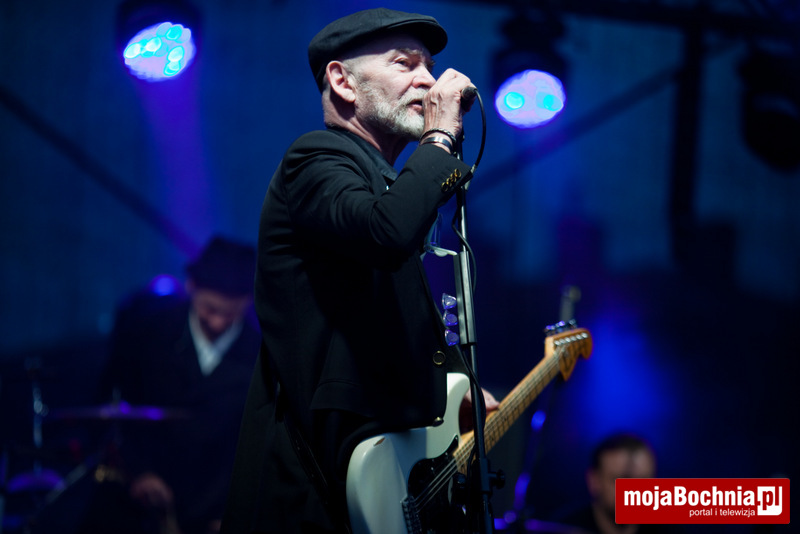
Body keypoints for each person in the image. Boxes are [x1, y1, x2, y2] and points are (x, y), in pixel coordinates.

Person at [221, 7, 497, 534]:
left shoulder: (389, 186)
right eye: (404, 63)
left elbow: (381, 318)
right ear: (343, 81)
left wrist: (454, 385)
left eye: (429, 65)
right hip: (310, 498)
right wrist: (439, 140)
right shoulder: (315, 158)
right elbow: (384, 233)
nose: (428, 80)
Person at [86, 236, 261, 534]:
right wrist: (138, 471)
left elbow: (258, 445)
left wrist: (234, 510)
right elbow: (111, 410)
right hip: (141, 503)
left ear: (248, 301)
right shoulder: (148, 332)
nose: (218, 323)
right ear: (191, 287)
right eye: (210, 309)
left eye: (230, 313)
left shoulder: (261, 353)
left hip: (218, 509)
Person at [559, 433, 681, 534]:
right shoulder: (563, 528)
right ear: (594, 480)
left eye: (643, 480)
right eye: (623, 480)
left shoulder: (670, 529)